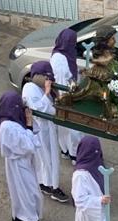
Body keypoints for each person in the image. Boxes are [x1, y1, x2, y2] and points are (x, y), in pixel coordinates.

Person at [0, 91, 50, 221]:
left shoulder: (14, 120)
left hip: (24, 160)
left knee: (22, 190)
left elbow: (32, 137)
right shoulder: (7, 126)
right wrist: (29, 125)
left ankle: (20, 216)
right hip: (18, 162)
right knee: (29, 191)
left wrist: (29, 122)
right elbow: (27, 145)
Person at [21, 61, 69, 203]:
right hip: (40, 130)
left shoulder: (38, 87)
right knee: (47, 159)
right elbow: (41, 109)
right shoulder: (30, 89)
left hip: (47, 129)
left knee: (49, 159)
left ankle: (46, 184)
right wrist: (47, 92)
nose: (49, 81)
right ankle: (53, 187)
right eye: (46, 77)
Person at [50, 28, 82, 164]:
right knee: (72, 127)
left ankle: (66, 150)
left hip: (65, 95)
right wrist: (69, 97)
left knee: (64, 126)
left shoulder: (64, 53)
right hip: (65, 97)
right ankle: (74, 154)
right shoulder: (60, 58)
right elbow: (63, 80)